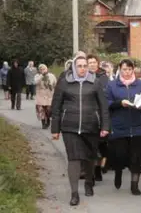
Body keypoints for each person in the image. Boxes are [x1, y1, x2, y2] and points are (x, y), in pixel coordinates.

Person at [50, 57, 110, 206]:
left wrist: (105, 126)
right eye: (79, 66)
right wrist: (55, 129)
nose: (82, 68)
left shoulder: (95, 83)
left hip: (91, 126)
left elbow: (103, 107)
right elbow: (56, 107)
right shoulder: (64, 83)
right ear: (74, 68)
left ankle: (89, 182)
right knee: (74, 158)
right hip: (69, 126)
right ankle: (74, 193)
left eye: (85, 66)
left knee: (90, 157)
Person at [106, 59, 141, 196]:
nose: (127, 72)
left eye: (129, 69)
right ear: (120, 70)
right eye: (124, 69)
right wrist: (120, 103)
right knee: (120, 154)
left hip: (138, 126)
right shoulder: (112, 85)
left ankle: (134, 185)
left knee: (136, 157)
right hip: (120, 126)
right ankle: (118, 171)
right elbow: (107, 103)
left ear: (133, 70)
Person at [87, 54, 109, 182]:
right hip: (89, 114)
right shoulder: (84, 78)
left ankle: (100, 167)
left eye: (94, 62)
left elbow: (106, 94)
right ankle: (93, 171)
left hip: (101, 113)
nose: (92, 64)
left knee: (102, 144)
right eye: (89, 62)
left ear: (98, 63)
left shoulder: (103, 77)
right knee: (91, 144)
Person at [34, 64, 57, 129]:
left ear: (46, 69)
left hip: (49, 95)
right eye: (41, 69)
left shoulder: (51, 75)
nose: (42, 70)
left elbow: (55, 84)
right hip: (40, 95)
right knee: (41, 110)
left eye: (44, 69)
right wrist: (42, 75)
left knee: (48, 110)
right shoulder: (37, 76)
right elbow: (36, 82)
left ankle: (48, 119)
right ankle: (43, 123)